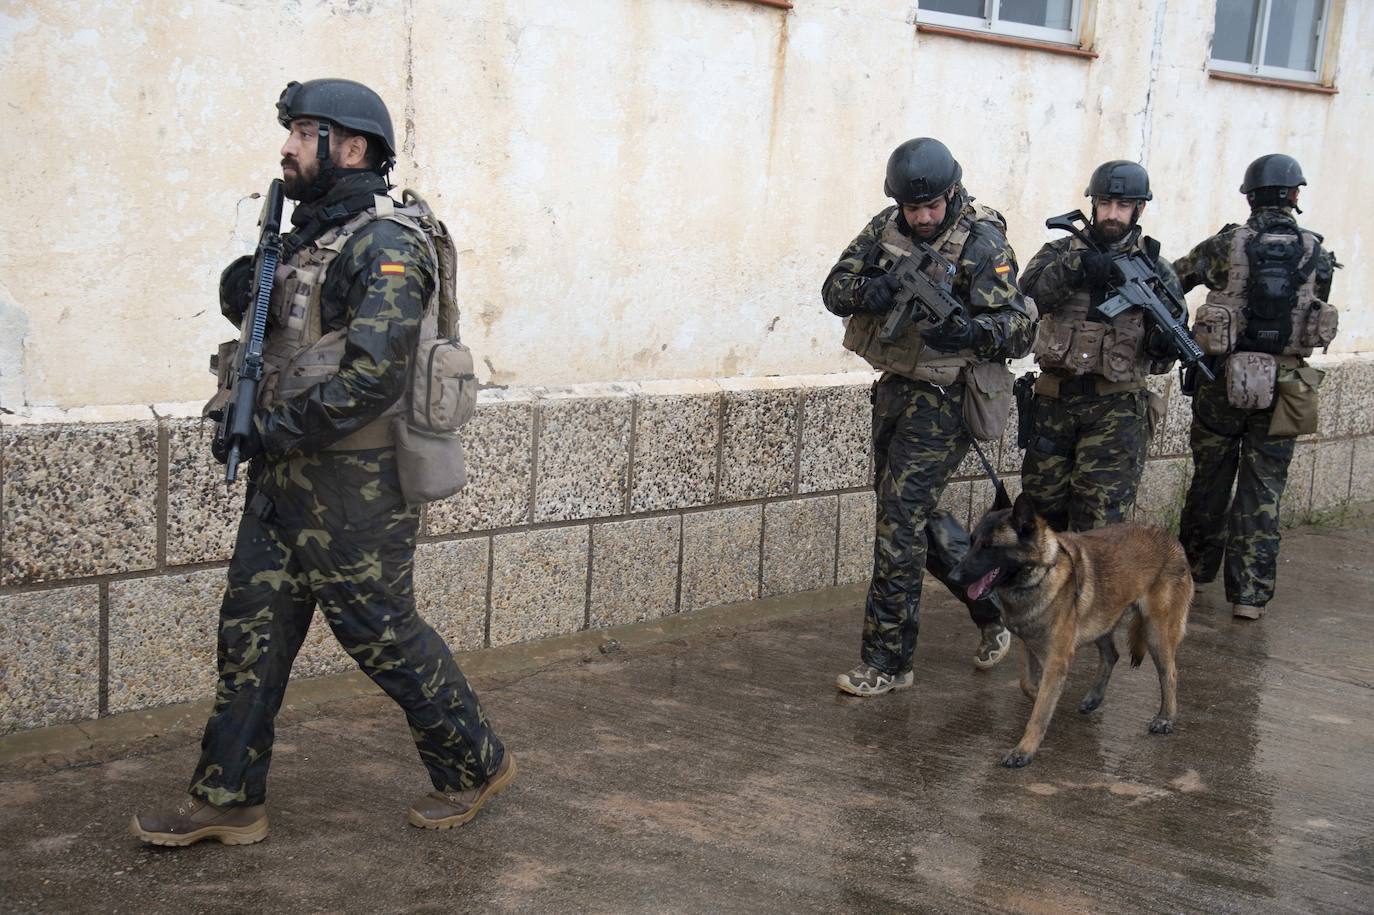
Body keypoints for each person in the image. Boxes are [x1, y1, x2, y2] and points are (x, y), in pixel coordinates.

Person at [132, 79, 512, 847]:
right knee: (251, 632)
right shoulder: (305, 237)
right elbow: (287, 334)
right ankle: (229, 796)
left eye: (305, 132)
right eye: (292, 131)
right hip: (284, 475)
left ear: (353, 147)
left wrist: (269, 428)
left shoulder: (389, 244)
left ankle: (474, 762)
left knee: (380, 632)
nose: (287, 147)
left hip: (356, 483)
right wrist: (244, 303)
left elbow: (371, 377)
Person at [823, 138, 1036, 696]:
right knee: (913, 514)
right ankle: (991, 608)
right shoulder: (886, 227)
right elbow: (834, 290)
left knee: (898, 521)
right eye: (911, 209)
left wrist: (969, 330)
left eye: (930, 209)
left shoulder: (982, 244)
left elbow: (1019, 328)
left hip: (946, 399)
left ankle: (888, 663)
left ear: (952, 193)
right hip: (897, 389)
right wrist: (878, 288)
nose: (920, 219)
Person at [1174, 154, 1339, 621]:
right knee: (1263, 490)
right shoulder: (1315, 252)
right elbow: (1316, 306)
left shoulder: (1225, 246)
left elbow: (1175, 280)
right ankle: (1249, 596)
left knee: (1210, 481)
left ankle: (1190, 575)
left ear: (1249, 196)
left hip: (1222, 381)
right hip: (1287, 385)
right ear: (1295, 196)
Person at [1019, 160, 1185, 532]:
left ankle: (1094, 592)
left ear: (1139, 209)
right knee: (1041, 513)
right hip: (1054, 403)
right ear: (1093, 205)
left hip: (1117, 409)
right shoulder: (1058, 253)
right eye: (1105, 204)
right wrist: (1074, 270)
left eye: (1122, 206)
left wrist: (1162, 344)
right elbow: (1023, 304)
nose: (1111, 214)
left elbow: (1165, 354)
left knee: (1101, 521)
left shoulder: (1157, 269)